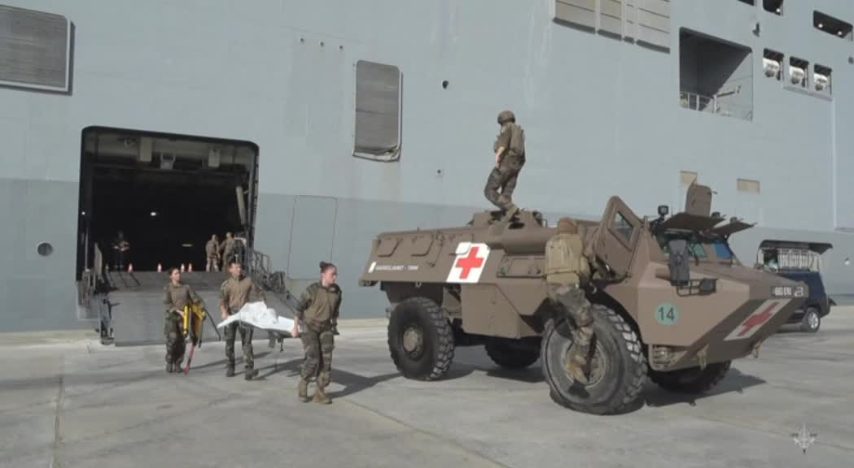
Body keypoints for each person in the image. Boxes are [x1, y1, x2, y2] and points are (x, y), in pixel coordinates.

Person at [545, 217, 595, 384]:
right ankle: (577, 362)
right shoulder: (576, 241)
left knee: (572, 322)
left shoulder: (550, 242)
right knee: (586, 323)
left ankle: (575, 350)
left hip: (552, 290)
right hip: (568, 289)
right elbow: (584, 266)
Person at [293, 261, 342, 404]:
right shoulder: (312, 290)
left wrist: (334, 325)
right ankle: (303, 383)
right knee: (313, 359)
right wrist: (295, 327)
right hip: (310, 327)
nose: (335, 277)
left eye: (336, 274)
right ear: (323, 275)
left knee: (326, 362)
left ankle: (320, 392)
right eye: (332, 274)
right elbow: (299, 308)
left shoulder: (337, 291)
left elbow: (335, 310)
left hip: (326, 328)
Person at [219, 260, 266, 380]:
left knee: (247, 342)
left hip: (245, 314)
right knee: (229, 342)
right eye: (236, 267)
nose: (238, 269)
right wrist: (224, 312)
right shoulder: (226, 284)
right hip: (231, 315)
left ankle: (249, 369)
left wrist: (262, 304)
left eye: (239, 267)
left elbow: (259, 292)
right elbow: (222, 300)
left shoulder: (248, 281)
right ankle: (230, 366)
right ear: (230, 269)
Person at [484, 110, 526, 221]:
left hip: (506, 162)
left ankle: (510, 208)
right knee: (506, 192)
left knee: (489, 190)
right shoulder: (519, 131)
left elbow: (503, 143)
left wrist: (498, 156)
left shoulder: (507, 128)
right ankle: (508, 214)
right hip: (517, 164)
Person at [163, 267, 203, 373]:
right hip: (172, 316)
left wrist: (201, 308)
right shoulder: (168, 288)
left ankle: (178, 363)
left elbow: (195, 298)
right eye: (176, 273)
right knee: (173, 339)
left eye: (179, 273)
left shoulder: (186, 287)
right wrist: (177, 311)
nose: (178, 275)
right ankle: (169, 361)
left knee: (181, 341)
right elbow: (167, 303)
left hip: (184, 317)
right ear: (171, 276)